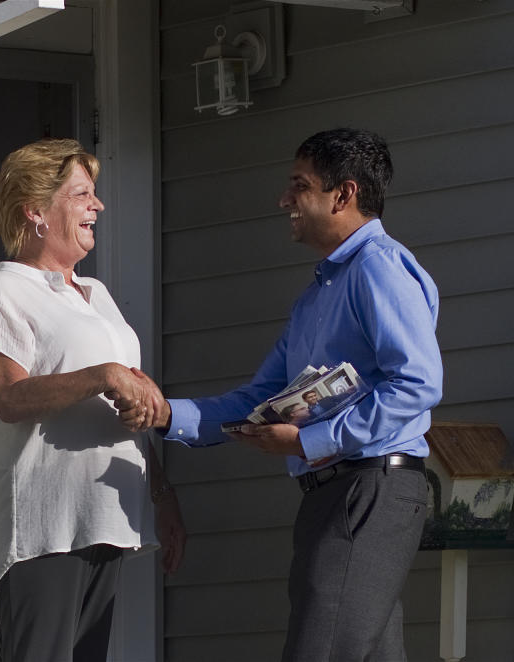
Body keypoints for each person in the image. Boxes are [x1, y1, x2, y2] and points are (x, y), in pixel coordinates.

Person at [118, 128, 442, 661]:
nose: (283, 199)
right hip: (336, 495)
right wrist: (164, 413)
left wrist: (312, 439)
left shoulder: (378, 267)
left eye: (299, 185)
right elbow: (260, 399)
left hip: (370, 490)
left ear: (344, 195)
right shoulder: (318, 295)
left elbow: (419, 382)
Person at [0, 138, 186, 662]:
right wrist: (103, 374)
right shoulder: (3, 290)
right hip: (45, 522)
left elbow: (126, 406)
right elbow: (8, 397)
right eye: (81, 195)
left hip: (106, 514)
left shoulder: (95, 293)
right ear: (36, 211)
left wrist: (161, 494)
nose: (97, 206)